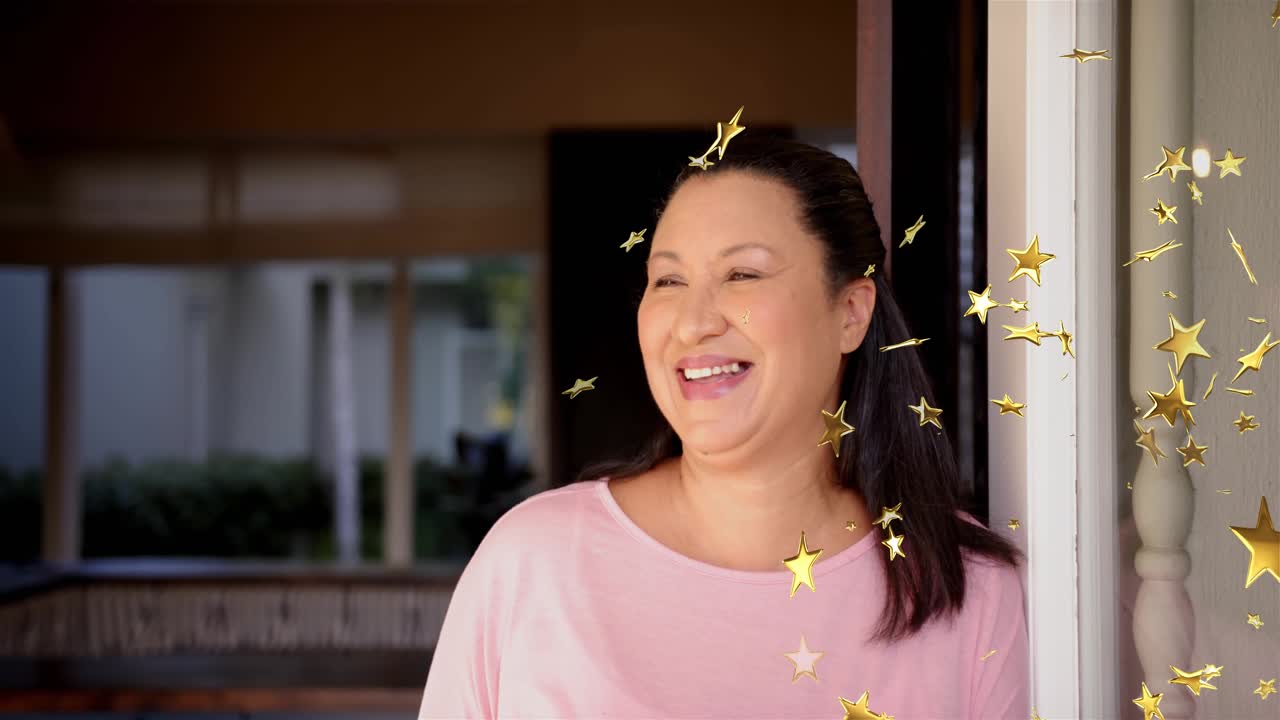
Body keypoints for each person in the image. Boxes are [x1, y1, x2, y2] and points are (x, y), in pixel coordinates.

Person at [419, 134, 1029, 719]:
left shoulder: (969, 590)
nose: (693, 323)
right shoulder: (533, 562)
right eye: (668, 280)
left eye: (742, 275)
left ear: (850, 312)